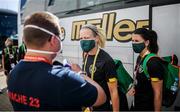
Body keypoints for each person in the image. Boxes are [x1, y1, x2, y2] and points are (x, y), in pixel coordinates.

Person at [7, 12, 106, 111]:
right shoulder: (64, 78)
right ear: (53, 39)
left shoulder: (12, 74)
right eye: (60, 37)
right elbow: (101, 97)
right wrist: (80, 73)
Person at [79, 24, 128, 111]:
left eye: (86, 38)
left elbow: (114, 92)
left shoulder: (106, 61)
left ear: (96, 38)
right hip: (90, 105)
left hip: (103, 107)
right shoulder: (85, 54)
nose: (83, 41)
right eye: (81, 38)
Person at [130, 28, 165, 111]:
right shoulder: (140, 57)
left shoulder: (153, 62)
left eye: (137, 41)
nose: (133, 43)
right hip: (136, 104)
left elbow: (158, 94)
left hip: (147, 107)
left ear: (146, 42)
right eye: (132, 40)